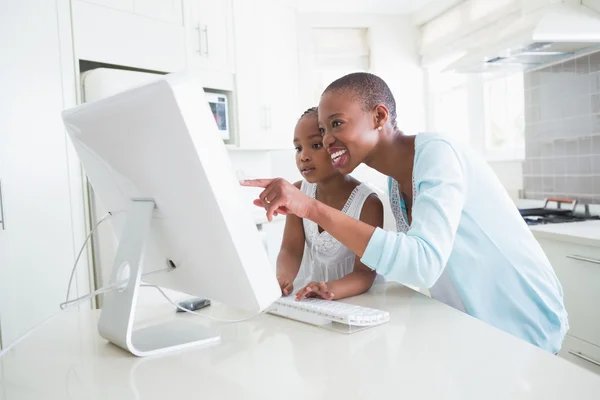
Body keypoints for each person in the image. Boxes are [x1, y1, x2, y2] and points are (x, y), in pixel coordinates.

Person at [241, 72, 568, 354]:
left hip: (523, 324)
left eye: (336, 124)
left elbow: (422, 264)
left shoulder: (439, 154)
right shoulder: (397, 183)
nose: (327, 141)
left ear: (379, 117)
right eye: (323, 130)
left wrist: (311, 208)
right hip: (474, 327)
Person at [276, 107, 383, 301]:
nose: (303, 157)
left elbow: (365, 273)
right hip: (311, 299)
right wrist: (282, 279)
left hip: (357, 301)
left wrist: (328, 289)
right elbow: (290, 249)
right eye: (298, 148)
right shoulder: (298, 192)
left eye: (315, 145)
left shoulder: (368, 204)